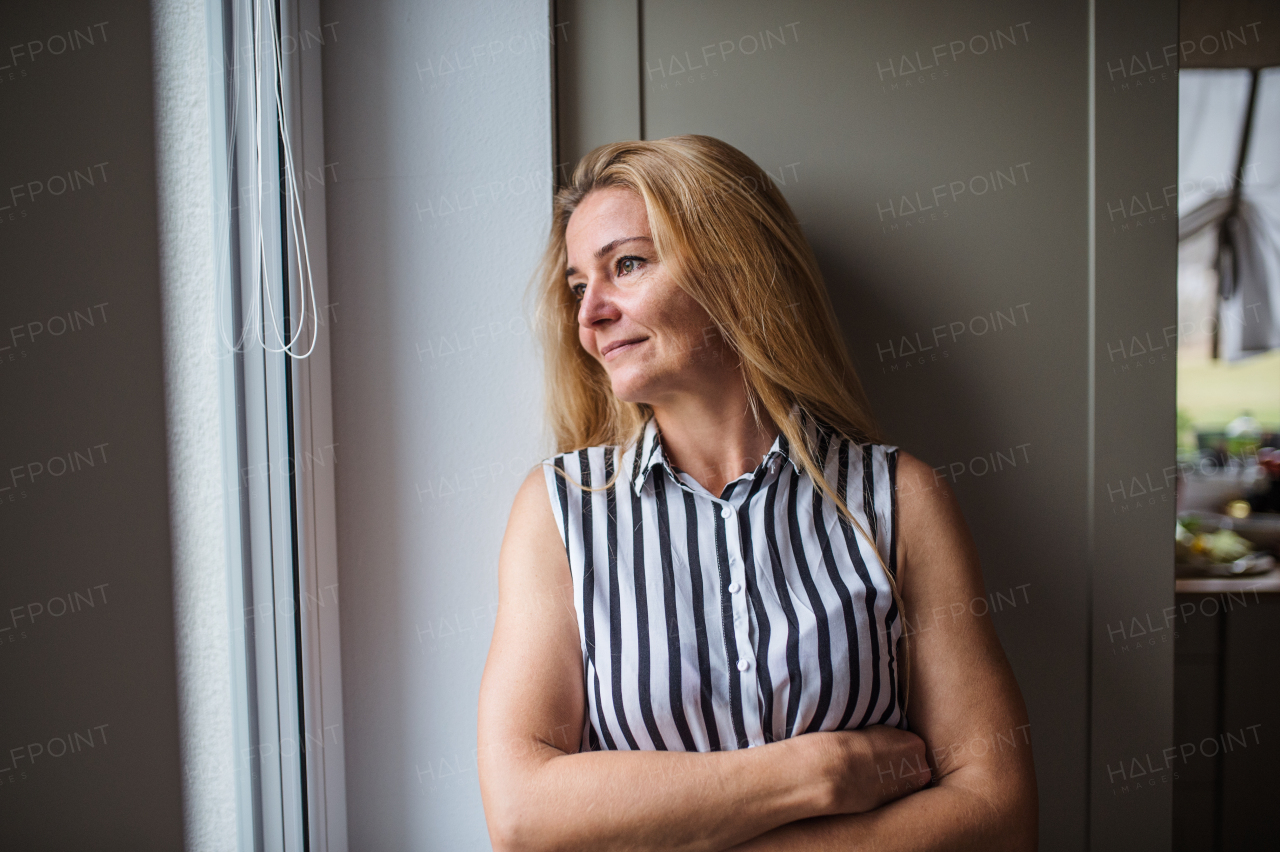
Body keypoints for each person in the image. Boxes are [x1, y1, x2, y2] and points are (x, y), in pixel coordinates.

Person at [477, 135, 1037, 851]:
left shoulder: (901, 500)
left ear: (736, 271)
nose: (590, 314)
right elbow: (523, 816)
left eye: (627, 264)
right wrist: (816, 772)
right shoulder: (557, 512)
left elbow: (999, 813)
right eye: (579, 286)